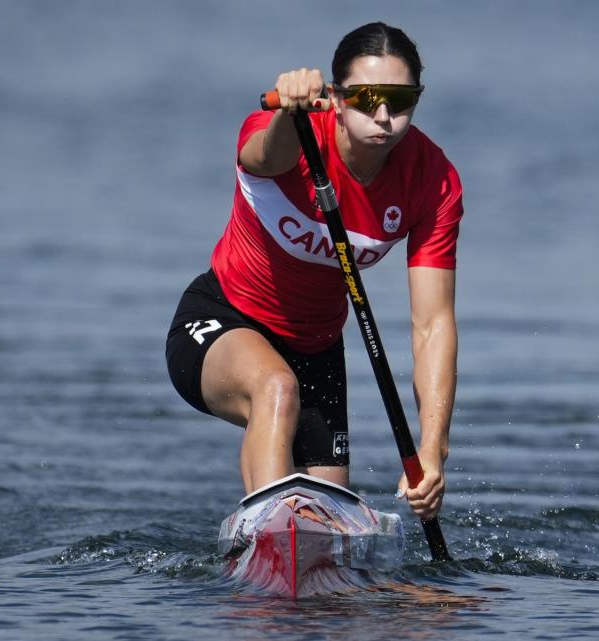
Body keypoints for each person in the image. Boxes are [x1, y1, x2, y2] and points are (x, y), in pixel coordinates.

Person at [165, 22, 462, 521]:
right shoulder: (286, 136)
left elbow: (432, 324)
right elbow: (265, 155)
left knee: (327, 514)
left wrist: (434, 448)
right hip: (222, 321)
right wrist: (288, 110)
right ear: (335, 97)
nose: (384, 116)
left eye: (401, 99)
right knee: (276, 390)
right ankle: (265, 547)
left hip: (318, 349)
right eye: (366, 98)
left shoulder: (433, 180)